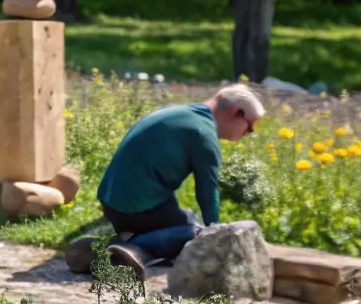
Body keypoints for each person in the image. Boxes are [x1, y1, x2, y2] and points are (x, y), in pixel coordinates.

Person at [93, 83, 265, 280]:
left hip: (111, 201)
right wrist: (214, 235)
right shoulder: (204, 134)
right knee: (196, 233)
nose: (249, 133)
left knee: (189, 219)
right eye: (250, 126)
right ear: (236, 112)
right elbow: (208, 192)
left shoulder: (179, 113)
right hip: (137, 208)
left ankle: (102, 243)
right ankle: (132, 250)